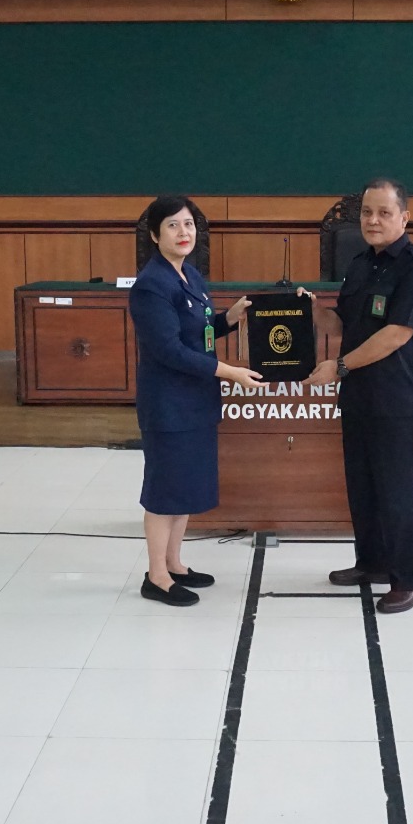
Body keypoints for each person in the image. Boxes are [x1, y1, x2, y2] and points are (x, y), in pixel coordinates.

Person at [301, 179, 413, 614]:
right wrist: (309, 309)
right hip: (360, 396)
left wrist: (339, 367)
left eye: (383, 212)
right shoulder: (361, 262)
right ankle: (374, 563)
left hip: (397, 399)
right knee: (363, 486)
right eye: (366, 213)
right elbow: (341, 325)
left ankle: (411, 580)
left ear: (404, 217)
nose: (373, 220)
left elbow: (396, 334)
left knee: (398, 490)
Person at [129, 196, 263, 606]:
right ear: (155, 235)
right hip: (169, 404)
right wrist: (230, 371)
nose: (184, 233)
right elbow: (170, 351)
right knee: (164, 488)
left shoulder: (191, 276)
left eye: (189, 225)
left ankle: (174, 563)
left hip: (196, 399)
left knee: (184, 485)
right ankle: (155, 576)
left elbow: (199, 334)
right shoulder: (151, 285)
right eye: (173, 226)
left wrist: (230, 318)